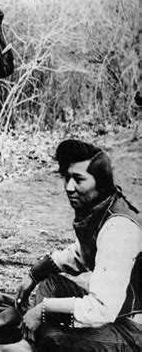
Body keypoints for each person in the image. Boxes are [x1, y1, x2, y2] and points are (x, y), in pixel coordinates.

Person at [15, 139, 142, 351]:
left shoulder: (119, 228)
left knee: (54, 337)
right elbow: (81, 254)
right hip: (116, 315)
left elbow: (102, 309)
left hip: (134, 329)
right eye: (66, 178)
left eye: (78, 179)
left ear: (100, 183)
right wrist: (35, 274)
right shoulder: (102, 210)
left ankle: (28, 346)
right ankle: (25, 345)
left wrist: (43, 311)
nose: (69, 187)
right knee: (50, 284)